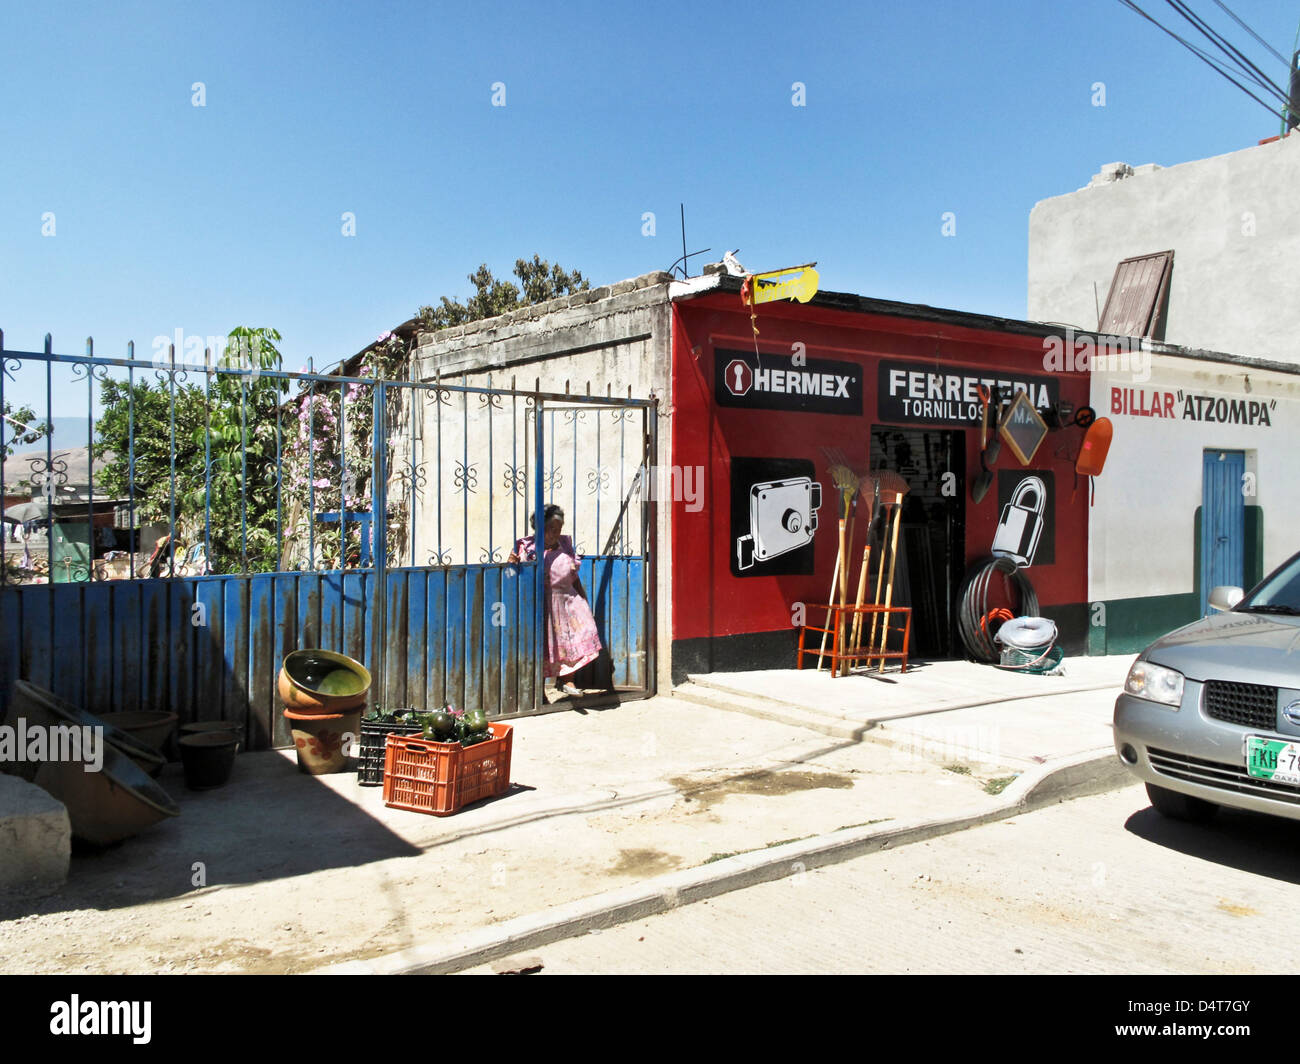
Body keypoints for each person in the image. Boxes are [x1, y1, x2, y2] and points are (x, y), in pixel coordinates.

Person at [508, 504, 603, 696]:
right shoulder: (526, 547)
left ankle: (568, 681)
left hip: (567, 603)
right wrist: (511, 565)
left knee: (570, 641)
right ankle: (539, 691)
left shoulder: (565, 545)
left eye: (559, 528)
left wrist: (583, 598)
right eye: (552, 528)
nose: (556, 532)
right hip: (539, 606)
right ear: (539, 527)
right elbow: (511, 577)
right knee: (542, 647)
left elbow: (574, 577)